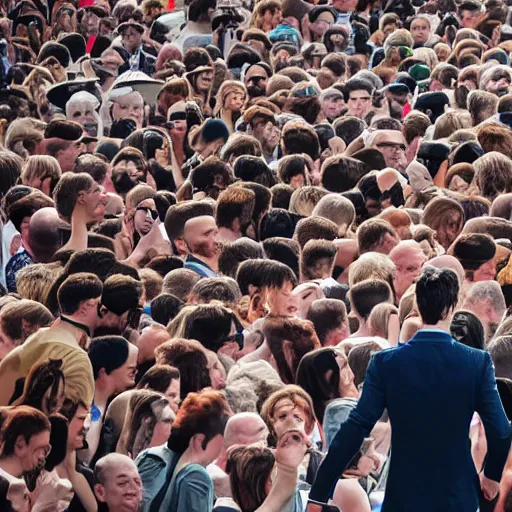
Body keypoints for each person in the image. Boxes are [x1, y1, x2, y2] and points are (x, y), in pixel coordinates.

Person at [306, 267, 512, 512]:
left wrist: (319, 493)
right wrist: (491, 476)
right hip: (458, 495)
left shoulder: (386, 363)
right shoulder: (476, 362)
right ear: (454, 305)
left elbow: (355, 427)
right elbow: (499, 429)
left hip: (404, 496)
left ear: (419, 306)